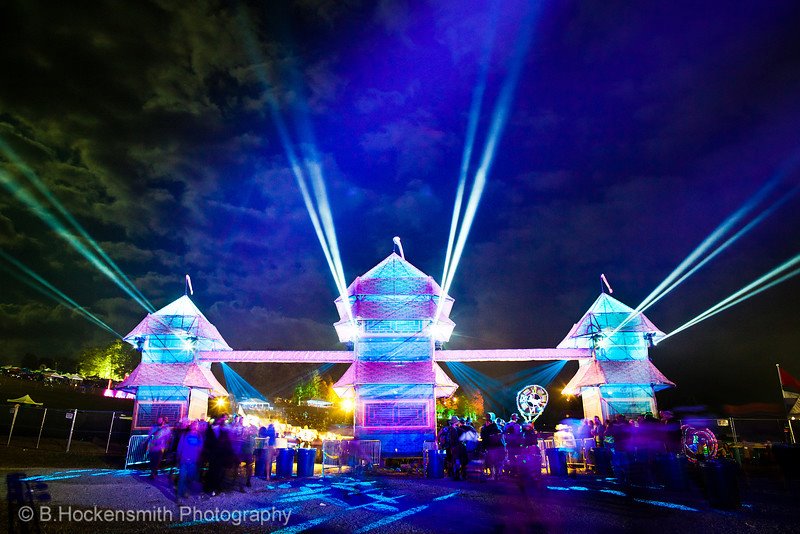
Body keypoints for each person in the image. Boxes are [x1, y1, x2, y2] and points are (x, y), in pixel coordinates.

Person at [177, 420, 204, 500]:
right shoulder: (185, 435)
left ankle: (185, 490)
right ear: (191, 426)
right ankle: (179, 495)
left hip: (193, 461)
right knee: (182, 477)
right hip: (184, 459)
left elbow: (200, 449)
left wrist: (199, 459)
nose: (195, 426)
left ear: (198, 427)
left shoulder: (199, 436)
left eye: (196, 425)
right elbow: (180, 446)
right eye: (193, 425)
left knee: (190, 478)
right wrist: (178, 456)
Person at [480, 412, 506, 480]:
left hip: (493, 447)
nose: (487, 421)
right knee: (493, 461)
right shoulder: (496, 427)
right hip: (494, 447)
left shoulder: (489, 428)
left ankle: (494, 475)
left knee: (493, 461)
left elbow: (484, 438)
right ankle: (495, 474)